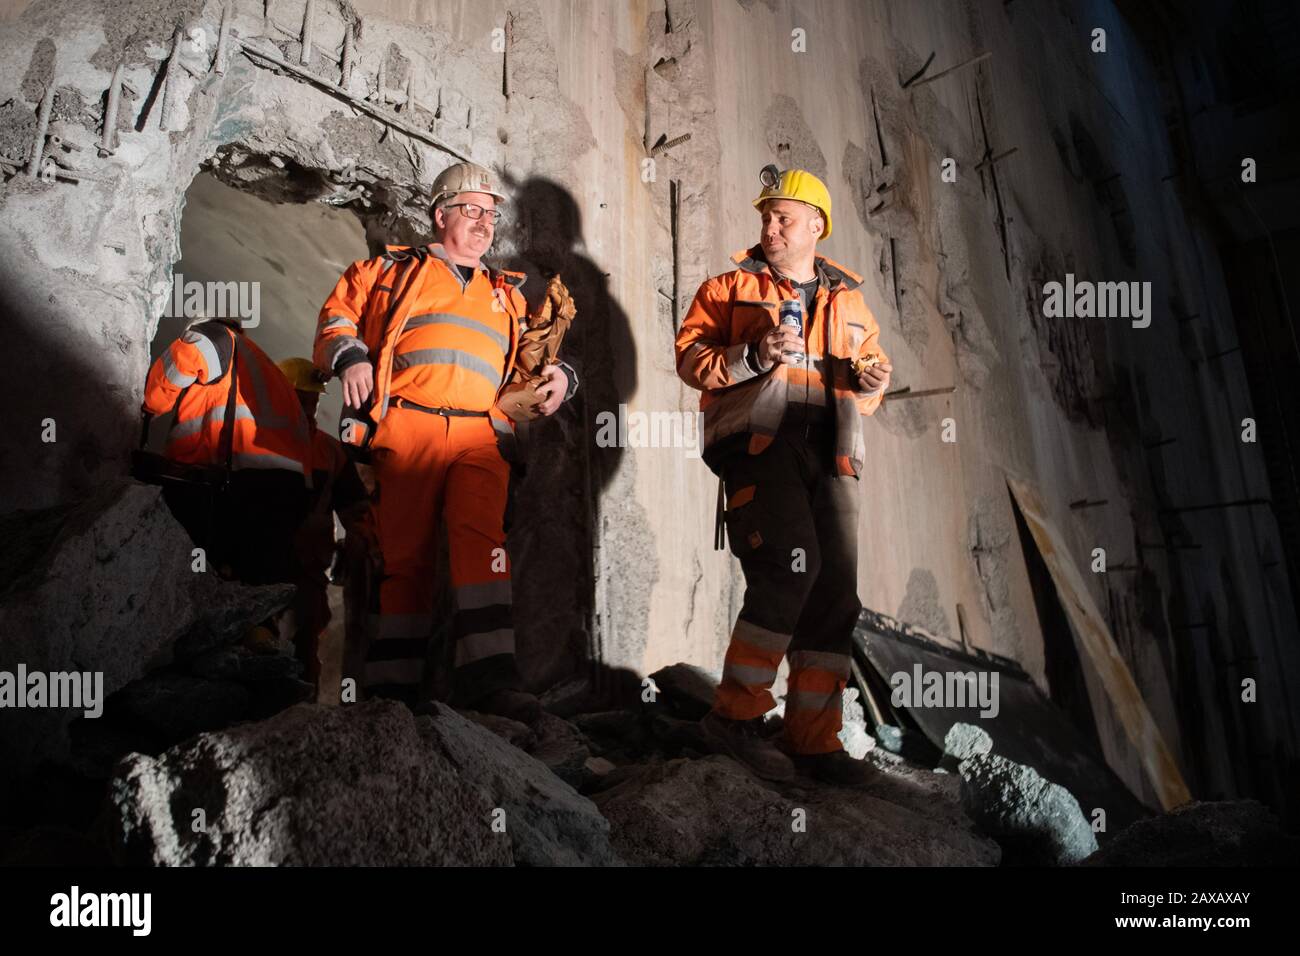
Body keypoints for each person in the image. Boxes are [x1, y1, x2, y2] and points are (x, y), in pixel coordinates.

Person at [312, 161, 578, 722]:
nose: (484, 223)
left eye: (491, 213)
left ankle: (491, 681)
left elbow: (529, 366)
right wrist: (350, 357)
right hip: (408, 426)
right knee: (404, 560)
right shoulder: (389, 272)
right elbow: (338, 315)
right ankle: (391, 691)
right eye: (471, 211)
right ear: (441, 216)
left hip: (481, 435)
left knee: (485, 548)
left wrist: (563, 378)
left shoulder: (506, 295)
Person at [674, 166, 892, 784]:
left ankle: (813, 741)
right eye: (766, 217)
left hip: (833, 454)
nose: (769, 227)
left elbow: (872, 370)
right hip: (762, 444)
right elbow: (692, 359)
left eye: (783, 217)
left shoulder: (848, 299)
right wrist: (754, 354)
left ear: (816, 225)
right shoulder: (729, 287)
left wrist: (873, 383)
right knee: (788, 565)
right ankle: (735, 719)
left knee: (835, 594)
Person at [143, 317, 312, 590]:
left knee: (192, 578)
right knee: (250, 585)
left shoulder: (218, 337)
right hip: (287, 491)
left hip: (238, 483)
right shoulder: (263, 365)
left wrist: (150, 404)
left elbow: (192, 349)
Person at [277, 357, 373, 687]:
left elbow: (356, 508)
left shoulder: (330, 451)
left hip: (309, 571)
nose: (308, 408)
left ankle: (300, 718)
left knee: (305, 648)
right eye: (300, 399)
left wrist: (357, 546)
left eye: (313, 400)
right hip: (261, 569)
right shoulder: (255, 440)